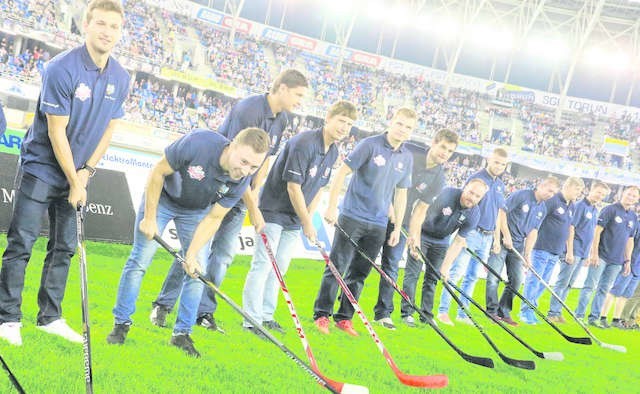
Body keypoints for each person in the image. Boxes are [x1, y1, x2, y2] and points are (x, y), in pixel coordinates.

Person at [0, 0, 129, 346]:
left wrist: (86, 173)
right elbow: (57, 132)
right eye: (100, 24)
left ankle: (50, 317)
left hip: (79, 173)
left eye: (114, 26)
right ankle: (7, 318)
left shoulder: (121, 76)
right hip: (42, 167)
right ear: (85, 26)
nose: (107, 32)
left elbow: (109, 130)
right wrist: (75, 179)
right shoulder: (61, 68)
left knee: (64, 248)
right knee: (21, 243)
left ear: (120, 32)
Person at [149, 69, 308, 332]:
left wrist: (254, 192)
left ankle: (204, 313)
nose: (301, 101)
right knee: (195, 251)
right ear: (282, 88)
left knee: (222, 256)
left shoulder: (283, 119)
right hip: (216, 191)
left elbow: (264, 160)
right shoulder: (248, 110)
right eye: (298, 94)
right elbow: (238, 164)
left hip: (241, 196)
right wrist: (255, 208)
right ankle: (163, 304)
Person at [106, 128, 270, 357]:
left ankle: (181, 334)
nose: (245, 170)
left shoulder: (241, 182)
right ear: (232, 146)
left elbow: (213, 218)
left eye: (253, 167)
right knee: (139, 262)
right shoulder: (199, 143)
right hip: (163, 199)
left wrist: (191, 254)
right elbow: (157, 173)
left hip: (195, 213)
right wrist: (150, 218)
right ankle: (121, 324)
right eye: (243, 161)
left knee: (196, 273)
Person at [241, 101, 356, 336]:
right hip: (273, 212)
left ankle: (266, 315)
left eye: (349, 124)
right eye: (341, 121)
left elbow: (318, 189)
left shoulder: (333, 151)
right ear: (328, 118)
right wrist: (307, 222)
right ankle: (251, 320)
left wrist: (308, 220)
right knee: (263, 265)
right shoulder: (304, 143)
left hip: (294, 220)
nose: (344, 127)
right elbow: (293, 188)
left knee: (279, 268)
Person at [313, 108, 416, 336]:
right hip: (352, 216)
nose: (403, 130)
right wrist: (331, 206)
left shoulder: (406, 157)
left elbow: (401, 194)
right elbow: (342, 173)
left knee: (360, 272)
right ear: (391, 122)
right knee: (337, 266)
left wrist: (397, 226)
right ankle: (322, 314)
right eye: (399, 124)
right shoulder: (370, 145)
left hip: (378, 224)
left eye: (408, 127)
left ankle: (344, 318)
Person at [372, 129, 459, 329]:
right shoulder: (409, 150)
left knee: (391, 267)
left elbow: (420, 210)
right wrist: (389, 206)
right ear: (433, 142)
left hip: (400, 223)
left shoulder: (439, 179)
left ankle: (383, 314)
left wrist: (414, 237)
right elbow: (383, 177)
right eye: (443, 147)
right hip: (377, 211)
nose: (445, 153)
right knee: (361, 261)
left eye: (450, 151)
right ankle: (345, 309)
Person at [437, 148, 510, 326]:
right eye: (496, 162)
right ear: (488, 160)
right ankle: (443, 311)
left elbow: (499, 213)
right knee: (457, 272)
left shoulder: (500, 185)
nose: (499, 166)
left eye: (502, 164)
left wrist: (496, 238)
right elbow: (466, 205)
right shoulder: (477, 179)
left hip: (487, 237)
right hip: (472, 232)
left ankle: (463, 314)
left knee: (472, 276)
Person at [401, 180, 489, 325]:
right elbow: (420, 210)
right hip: (422, 234)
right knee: (413, 274)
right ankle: (407, 314)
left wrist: (445, 267)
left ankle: (426, 316)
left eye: (477, 196)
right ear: (465, 188)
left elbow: (458, 242)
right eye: (471, 192)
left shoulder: (474, 214)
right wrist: (414, 238)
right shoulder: (446, 194)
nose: (472, 198)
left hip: (441, 241)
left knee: (432, 279)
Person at [485, 177, 560, 326]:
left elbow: (533, 231)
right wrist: (505, 235)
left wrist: (527, 255)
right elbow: (501, 213)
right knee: (493, 277)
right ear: (540, 185)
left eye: (554, 193)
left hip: (517, 246)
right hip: (501, 240)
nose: (550, 195)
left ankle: (503, 311)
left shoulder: (543, 208)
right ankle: (491, 311)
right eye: (549, 190)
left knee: (517, 280)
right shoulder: (521, 195)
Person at [519, 177, 585, 324]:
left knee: (544, 282)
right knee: (534, 281)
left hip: (556, 251)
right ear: (568, 187)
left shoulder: (572, 206)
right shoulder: (553, 200)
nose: (578, 194)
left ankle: (532, 309)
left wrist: (568, 250)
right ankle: (525, 312)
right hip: (541, 247)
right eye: (577, 190)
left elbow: (569, 228)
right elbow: (537, 220)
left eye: (580, 191)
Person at [575, 186, 639, 326]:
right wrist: (594, 253)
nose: (631, 197)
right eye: (629, 194)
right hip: (601, 256)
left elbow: (630, 240)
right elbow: (597, 232)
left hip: (617, 261)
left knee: (604, 289)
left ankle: (594, 318)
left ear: (637, 199)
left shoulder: (633, 217)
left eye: (634, 196)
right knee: (589, 286)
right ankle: (579, 316)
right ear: (622, 193)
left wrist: (627, 260)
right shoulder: (610, 209)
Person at [547, 182, 610, 323]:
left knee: (570, 284)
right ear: (591, 190)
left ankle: (558, 311)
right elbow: (571, 228)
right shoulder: (580, 206)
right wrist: (569, 251)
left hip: (582, 253)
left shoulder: (594, 209)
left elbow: (591, 233)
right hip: (573, 250)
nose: (600, 196)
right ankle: (552, 312)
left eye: (603, 195)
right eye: (599, 192)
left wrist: (587, 254)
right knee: (562, 282)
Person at [599, 217, 640, 329]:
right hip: (630, 263)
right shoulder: (636, 224)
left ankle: (616, 319)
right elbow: (629, 242)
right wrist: (627, 260)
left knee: (626, 295)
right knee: (615, 291)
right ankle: (603, 317)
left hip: (637, 268)